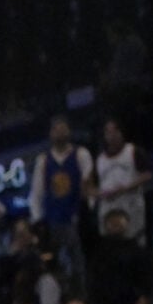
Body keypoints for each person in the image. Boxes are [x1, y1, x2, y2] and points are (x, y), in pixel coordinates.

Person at [29, 115, 94, 279]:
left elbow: (88, 184)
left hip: (75, 217)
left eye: (63, 129)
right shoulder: (43, 160)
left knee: (80, 263)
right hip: (53, 220)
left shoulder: (80, 154)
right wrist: (38, 220)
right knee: (57, 267)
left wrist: (88, 210)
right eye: (56, 129)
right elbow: (37, 192)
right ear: (51, 134)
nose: (60, 133)